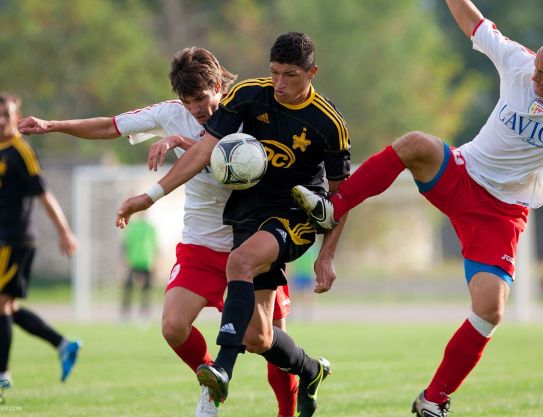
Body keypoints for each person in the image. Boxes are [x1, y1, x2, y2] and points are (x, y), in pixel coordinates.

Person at [291, 1, 543, 416]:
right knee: (415, 143)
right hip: (463, 173)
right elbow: (473, 23)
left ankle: (433, 400)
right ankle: (334, 207)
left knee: (490, 310)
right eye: (537, 72)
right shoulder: (520, 63)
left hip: (501, 212)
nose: (535, 80)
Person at [18, 47, 298, 417]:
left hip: (252, 241)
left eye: (200, 98)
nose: (195, 108)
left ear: (217, 86)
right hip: (202, 243)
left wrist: (180, 143)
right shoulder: (169, 113)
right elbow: (109, 126)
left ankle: (290, 408)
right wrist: (53, 125)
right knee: (172, 326)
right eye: (187, 101)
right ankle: (211, 386)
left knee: (265, 342)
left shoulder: (247, 108)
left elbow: (238, 157)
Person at [115, 32, 351, 417]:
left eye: (290, 75)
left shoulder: (329, 123)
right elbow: (206, 149)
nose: (280, 84)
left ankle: (221, 372)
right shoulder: (248, 95)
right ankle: (310, 370)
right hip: (247, 214)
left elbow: (343, 197)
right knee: (258, 338)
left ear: (312, 72)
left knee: (238, 262)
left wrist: (327, 254)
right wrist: (150, 197)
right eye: (274, 73)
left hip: (294, 216)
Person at [0, 93, 81, 388]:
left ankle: (2, 375)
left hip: (15, 240)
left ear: (16, 115)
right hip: (2, 240)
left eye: (6, 115)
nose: (1, 121)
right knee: (8, 309)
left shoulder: (21, 150)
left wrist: (64, 231)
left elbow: (43, 193)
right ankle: (62, 344)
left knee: (1, 305)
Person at [121, 215, 158, 322]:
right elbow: (126, 244)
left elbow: (155, 245)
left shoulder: (151, 228)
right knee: (128, 287)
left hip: (147, 262)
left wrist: (155, 262)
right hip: (133, 261)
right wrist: (125, 259)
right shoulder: (133, 227)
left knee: (146, 290)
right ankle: (125, 314)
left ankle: (144, 315)